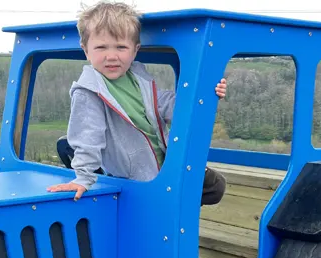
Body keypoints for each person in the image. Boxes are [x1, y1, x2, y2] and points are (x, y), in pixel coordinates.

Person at [46, 1, 228, 204]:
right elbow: (87, 136)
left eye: (121, 47)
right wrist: (83, 178)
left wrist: (208, 95)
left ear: (135, 50)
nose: (111, 56)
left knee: (215, 186)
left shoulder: (138, 78)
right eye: (101, 47)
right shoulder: (89, 91)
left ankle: (179, 203)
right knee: (160, 207)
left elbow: (167, 104)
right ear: (86, 50)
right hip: (135, 174)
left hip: (164, 160)